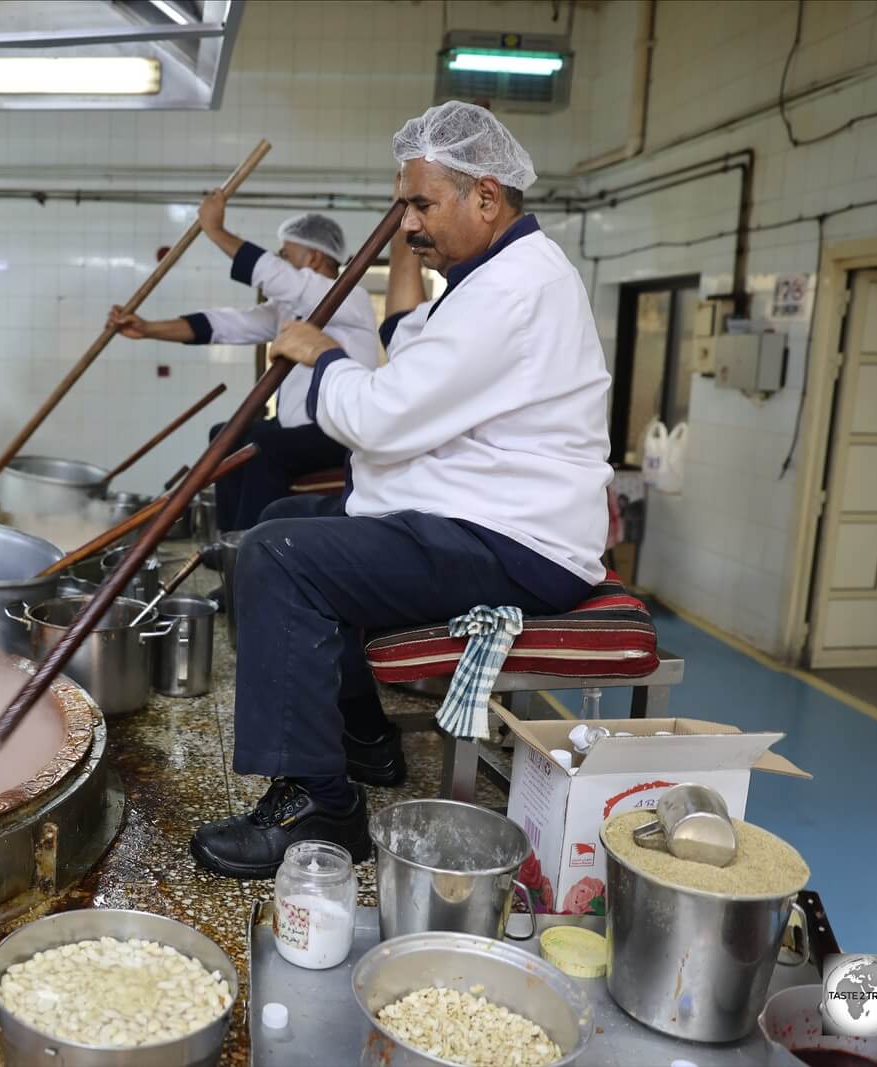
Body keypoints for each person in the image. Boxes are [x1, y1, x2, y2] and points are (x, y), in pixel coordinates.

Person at [189, 101, 614, 879]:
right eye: (405, 204)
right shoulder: (490, 274)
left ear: (486, 197)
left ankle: (321, 807)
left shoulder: (513, 290)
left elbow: (381, 416)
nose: (408, 224)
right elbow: (412, 349)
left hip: (517, 543)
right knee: (285, 515)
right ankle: (364, 739)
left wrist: (320, 355)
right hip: (480, 514)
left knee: (278, 553)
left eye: (421, 204)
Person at [107, 194, 380, 531]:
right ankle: (229, 540)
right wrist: (148, 328)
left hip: (340, 431)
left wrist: (216, 230)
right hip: (299, 429)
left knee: (262, 449)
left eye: (285, 254)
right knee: (224, 435)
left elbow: (276, 276)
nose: (280, 259)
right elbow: (226, 325)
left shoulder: (348, 296)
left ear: (312, 257)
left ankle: (253, 543)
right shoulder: (293, 307)